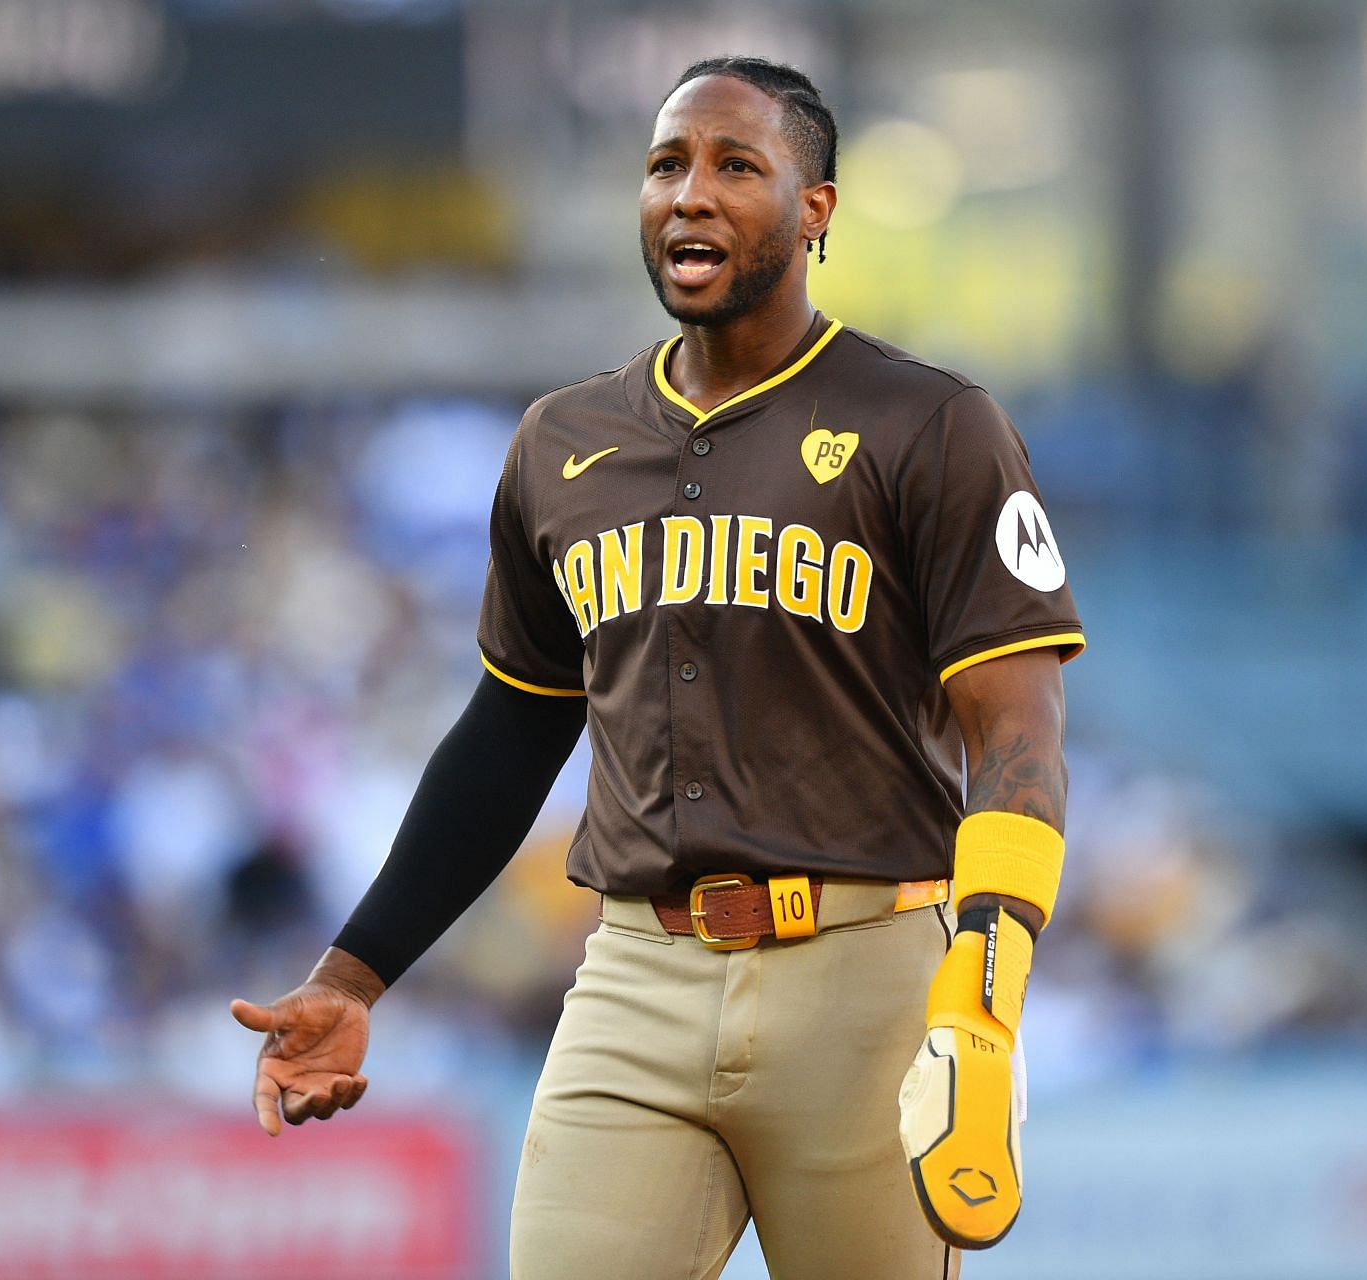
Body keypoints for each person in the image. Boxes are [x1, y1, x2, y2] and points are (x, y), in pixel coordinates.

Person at [230, 55, 1083, 1279]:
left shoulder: (930, 424)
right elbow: (513, 731)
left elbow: (1019, 736)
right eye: (666, 165)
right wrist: (355, 972)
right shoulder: (563, 441)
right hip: (636, 974)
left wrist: (985, 988)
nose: (691, 193)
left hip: (866, 975)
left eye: (738, 165)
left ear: (816, 209)